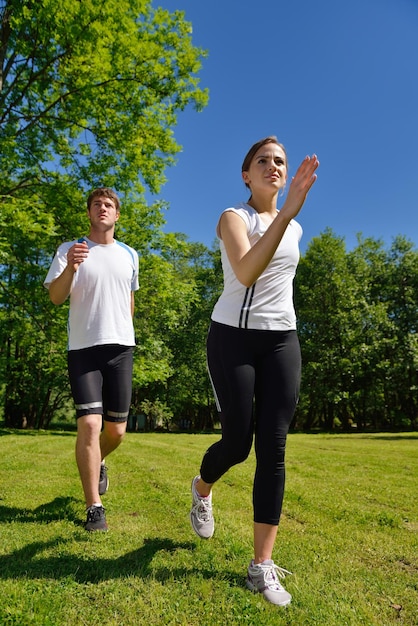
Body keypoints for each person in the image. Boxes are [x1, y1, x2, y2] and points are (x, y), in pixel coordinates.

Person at [189, 137, 319, 605]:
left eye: (280, 161)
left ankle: (261, 565)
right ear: (246, 174)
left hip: (282, 338)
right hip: (232, 338)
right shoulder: (233, 218)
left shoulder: (296, 228)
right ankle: (202, 488)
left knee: (274, 446)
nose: (273, 166)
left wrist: (287, 216)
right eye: (262, 160)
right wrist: (285, 214)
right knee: (238, 443)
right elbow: (245, 272)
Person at [44, 188, 139, 532]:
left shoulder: (131, 254)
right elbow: (56, 297)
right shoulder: (70, 250)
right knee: (89, 425)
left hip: (121, 350)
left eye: (109, 205)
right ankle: (93, 507)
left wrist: (127, 333)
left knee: (116, 432)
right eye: (97, 204)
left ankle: (97, 463)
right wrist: (71, 267)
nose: (103, 208)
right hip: (83, 349)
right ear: (89, 213)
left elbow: (129, 301)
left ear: (117, 215)